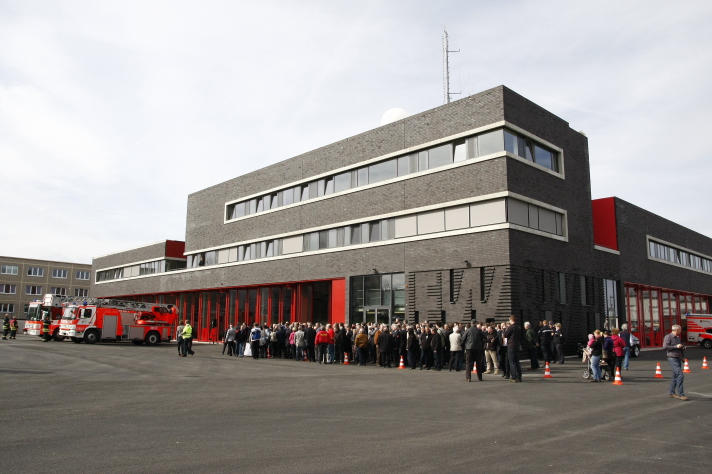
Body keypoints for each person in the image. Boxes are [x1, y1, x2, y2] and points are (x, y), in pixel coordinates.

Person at [663, 325, 688, 401]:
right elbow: (665, 347)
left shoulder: (678, 338)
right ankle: (681, 394)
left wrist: (682, 347)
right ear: (676, 330)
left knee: (675, 376)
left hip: (678, 358)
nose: (681, 331)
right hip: (672, 358)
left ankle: (672, 392)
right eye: (680, 330)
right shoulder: (668, 337)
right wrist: (676, 346)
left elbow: (678, 346)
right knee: (680, 374)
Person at [503, 316, 523, 383]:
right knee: (517, 362)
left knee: (512, 362)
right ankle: (519, 376)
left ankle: (514, 377)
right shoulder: (518, 327)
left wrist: (505, 330)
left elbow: (505, 335)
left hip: (511, 345)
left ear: (511, 320)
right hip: (517, 345)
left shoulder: (511, 327)